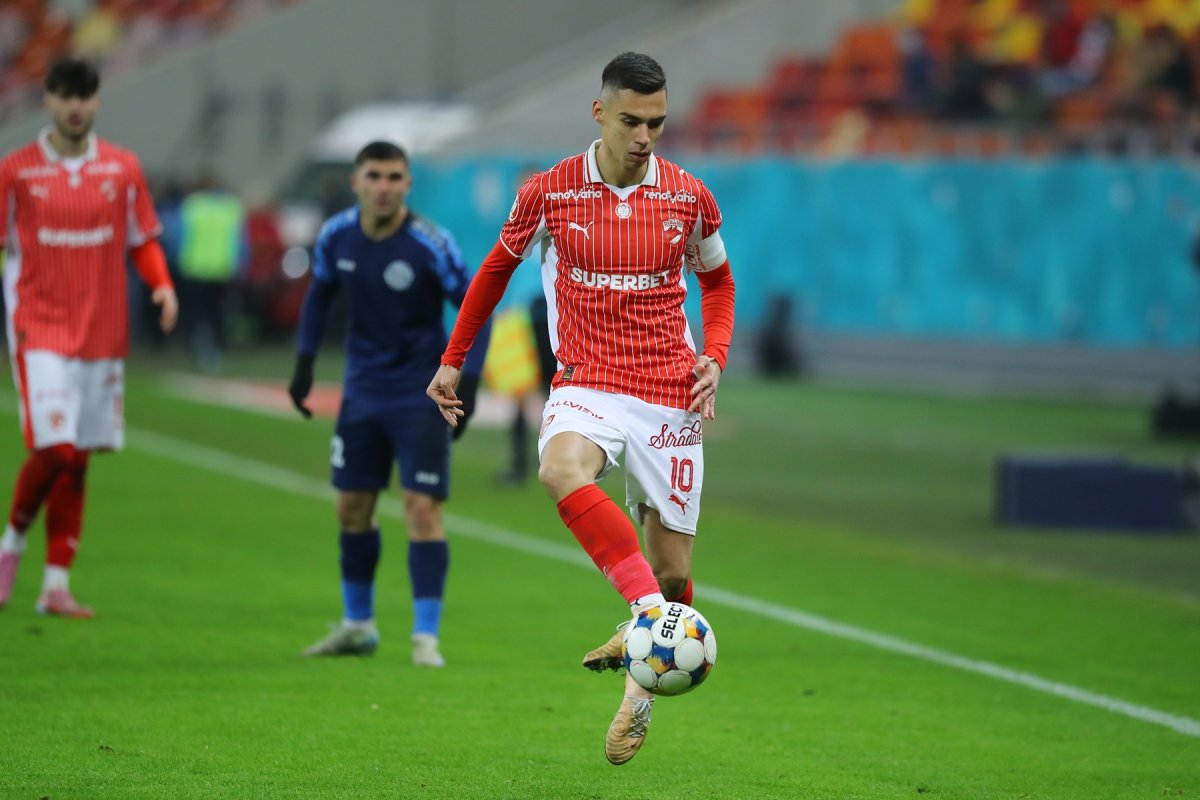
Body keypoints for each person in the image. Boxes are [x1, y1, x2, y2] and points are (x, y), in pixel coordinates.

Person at [427, 52, 736, 764]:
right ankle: (648, 618)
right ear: (599, 113)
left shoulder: (689, 197)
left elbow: (718, 283)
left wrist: (715, 356)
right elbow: (494, 271)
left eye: (656, 122)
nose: (644, 136)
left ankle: (638, 689)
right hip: (586, 379)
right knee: (560, 470)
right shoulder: (550, 192)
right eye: (631, 120)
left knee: (672, 571)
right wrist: (453, 357)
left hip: (668, 390)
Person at [288, 140, 489, 668]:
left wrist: (468, 382)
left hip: (418, 394)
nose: (384, 187)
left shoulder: (431, 243)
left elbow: (476, 307)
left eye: (394, 177)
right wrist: (304, 366)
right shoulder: (336, 235)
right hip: (361, 392)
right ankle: (358, 625)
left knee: (421, 508)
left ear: (408, 184)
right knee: (351, 507)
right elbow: (318, 297)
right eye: (374, 176)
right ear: (356, 181)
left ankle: (425, 639)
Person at [0, 57, 178, 618]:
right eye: (65, 96)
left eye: (84, 96)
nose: (75, 107)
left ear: (97, 101)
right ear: (48, 101)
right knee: (55, 448)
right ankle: (10, 547)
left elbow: (142, 239)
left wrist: (162, 285)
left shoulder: (122, 168)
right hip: (39, 326)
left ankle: (56, 585)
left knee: (77, 460)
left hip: (102, 330)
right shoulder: (16, 171)